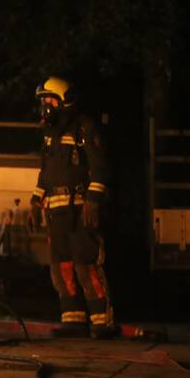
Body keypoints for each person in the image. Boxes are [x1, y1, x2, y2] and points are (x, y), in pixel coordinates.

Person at [29, 76, 116, 339]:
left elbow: (100, 166)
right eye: (43, 101)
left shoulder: (84, 128)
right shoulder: (50, 135)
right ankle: (73, 319)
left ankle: (102, 320)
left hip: (80, 208)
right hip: (55, 211)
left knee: (85, 263)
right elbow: (45, 172)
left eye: (49, 99)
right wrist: (36, 199)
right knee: (60, 265)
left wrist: (93, 200)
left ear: (64, 100)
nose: (45, 105)